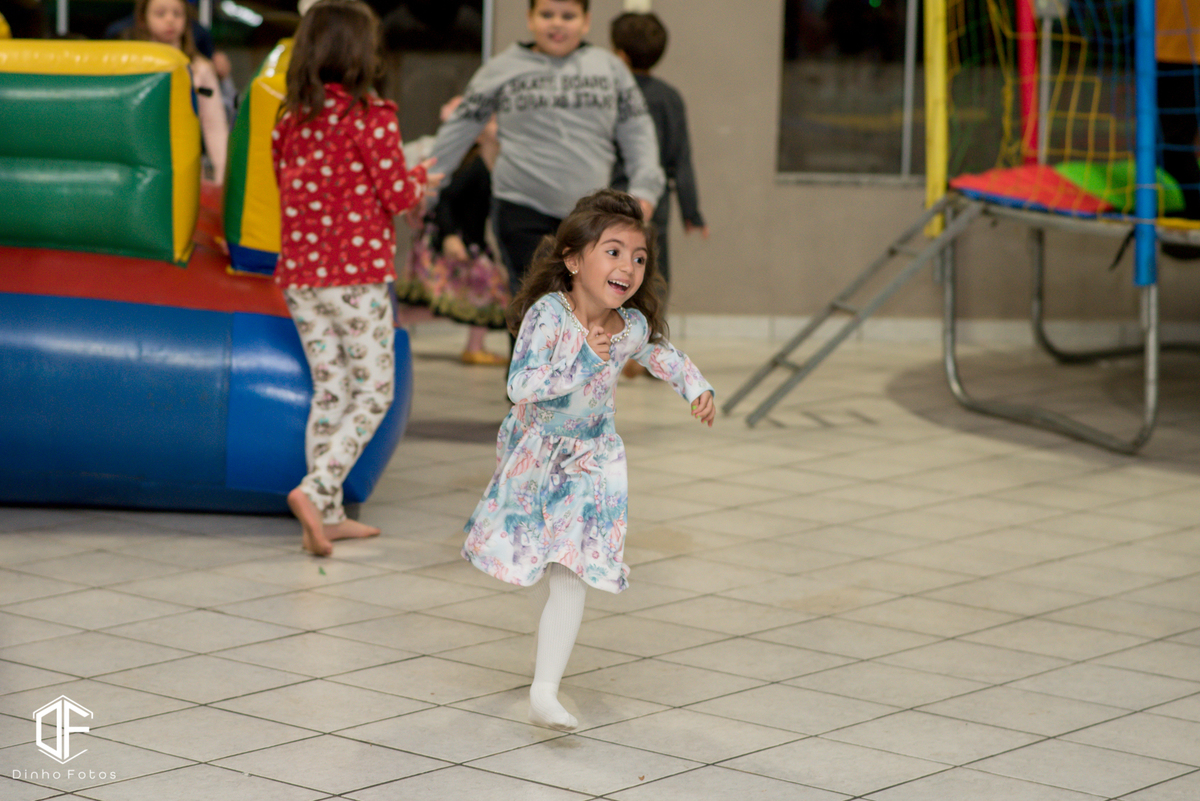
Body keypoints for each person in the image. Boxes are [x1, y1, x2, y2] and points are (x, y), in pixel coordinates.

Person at [463, 189, 715, 730]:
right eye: (614, 251)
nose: (629, 266)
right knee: (538, 560)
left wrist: (695, 386)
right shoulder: (549, 316)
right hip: (536, 453)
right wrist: (583, 359)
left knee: (572, 569)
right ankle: (544, 668)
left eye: (639, 257)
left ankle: (545, 690)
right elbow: (520, 385)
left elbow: (659, 353)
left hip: (593, 459)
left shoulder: (628, 325)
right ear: (574, 260)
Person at [272, 0, 438, 556]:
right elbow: (396, 195)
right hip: (355, 276)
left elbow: (286, 186)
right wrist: (421, 178)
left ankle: (328, 515)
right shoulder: (371, 116)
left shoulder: (290, 119)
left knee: (332, 388)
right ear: (362, 54)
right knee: (374, 392)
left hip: (301, 276)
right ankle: (317, 488)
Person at [427, 0, 666, 350]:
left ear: (585, 21)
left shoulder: (609, 69)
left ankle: (578, 383)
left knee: (587, 310)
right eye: (547, 14)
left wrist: (645, 189)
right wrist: (425, 182)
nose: (557, 23)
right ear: (530, 18)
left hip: (589, 218)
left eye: (568, 16)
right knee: (536, 306)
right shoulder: (502, 68)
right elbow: (461, 127)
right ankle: (527, 383)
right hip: (521, 208)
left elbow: (638, 131)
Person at [609, 10, 707, 377]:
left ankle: (611, 347)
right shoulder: (670, 98)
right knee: (652, 275)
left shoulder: (613, 94)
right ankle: (644, 350)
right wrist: (692, 213)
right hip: (655, 204)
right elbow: (682, 160)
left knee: (609, 270)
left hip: (612, 200)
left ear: (619, 54)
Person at [397, 97, 510, 366]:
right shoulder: (473, 166)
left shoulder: (490, 164)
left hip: (471, 241)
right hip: (457, 241)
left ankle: (474, 346)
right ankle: (397, 322)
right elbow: (445, 199)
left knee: (481, 295)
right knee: (457, 299)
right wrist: (449, 236)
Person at [125, 0, 229, 183]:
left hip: (186, 168)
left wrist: (222, 174)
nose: (170, 20)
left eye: (177, 14)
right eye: (160, 13)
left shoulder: (200, 69)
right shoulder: (133, 64)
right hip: (141, 166)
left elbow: (214, 124)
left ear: (186, 19)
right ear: (143, 19)